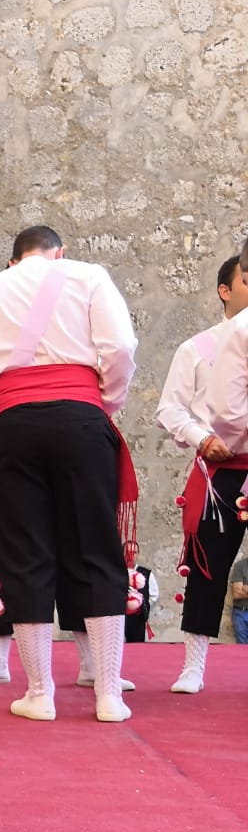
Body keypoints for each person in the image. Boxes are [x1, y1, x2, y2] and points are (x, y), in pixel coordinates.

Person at [0, 224, 138, 722]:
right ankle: (108, 694)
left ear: (13, 260)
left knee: (24, 552)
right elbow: (119, 347)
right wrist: (106, 400)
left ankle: (39, 692)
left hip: (13, 423)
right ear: (59, 253)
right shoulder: (87, 275)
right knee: (96, 547)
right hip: (80, 415)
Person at [157, 253, 248, 691]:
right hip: (223, 468)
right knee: (208, 564)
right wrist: (201, 438)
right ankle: (194, 664)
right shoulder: (197, 349)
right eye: (246, 281)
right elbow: (169, 409)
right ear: (225, 290)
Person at [228, 554, 248, 644]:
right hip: (241, 614)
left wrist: (245, 588)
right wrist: (242, 589)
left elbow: (241, 590)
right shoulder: (241, 566)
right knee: (242, 650)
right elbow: (237, 593)